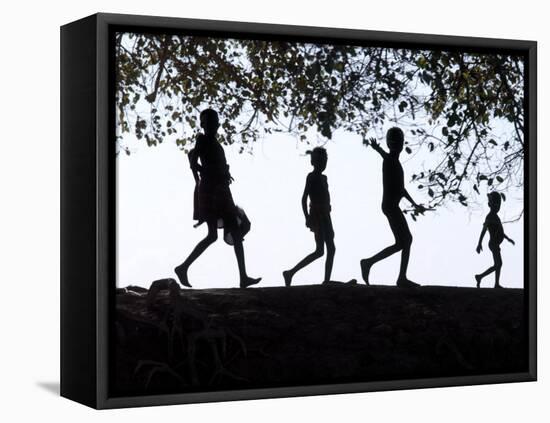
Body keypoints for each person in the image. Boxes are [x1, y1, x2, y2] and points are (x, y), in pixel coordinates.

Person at [174, 108, 261, 289]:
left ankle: (242, 277)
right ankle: (183, 267)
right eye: (207, 122)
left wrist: (219, 174)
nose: (210, 125)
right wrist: (201, 179)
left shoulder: (216, 143)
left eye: (213, 121)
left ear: (217, 124)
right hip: (211, 190)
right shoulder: (203, 140)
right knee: (214, 235)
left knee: (232, 232)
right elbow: (193, 162)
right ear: (204, 124)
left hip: (221, 190)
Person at [360, 127, 425, 288]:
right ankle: (398, 276)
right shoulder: (391, 161)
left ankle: (370, 263)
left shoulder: (393, 161)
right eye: (397, 142)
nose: (399, 145)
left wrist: (415, 204)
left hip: (391, 206)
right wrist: (414, 204)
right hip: (390, 206)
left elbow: (401, 189)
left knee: (402, 242)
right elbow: (401, 189)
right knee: (406, 240)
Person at [283, 148, 355, 286]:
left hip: (326, 215)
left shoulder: (324, 178)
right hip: (318, 215)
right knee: (325, 249)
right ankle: (324, 281)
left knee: (322, 250)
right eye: (320, 161)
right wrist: (307, 217)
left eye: (324, 161)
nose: (323, 164)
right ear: (313, 162)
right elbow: (304, 198)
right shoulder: (312, 177)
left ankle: (291, 273)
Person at [475, 192, 515, 288]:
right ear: (491, 204)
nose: (497, 207)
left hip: (496, 243)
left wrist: (508, 239)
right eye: (496, 204)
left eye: (498, 205)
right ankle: (481, 277)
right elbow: (484, 230)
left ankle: (493, 282)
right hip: (493, 243)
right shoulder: (490, 217)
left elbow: (500, 231)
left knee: (498, 264)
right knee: (498, 264)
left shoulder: (495, 217)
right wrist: (479, 243)